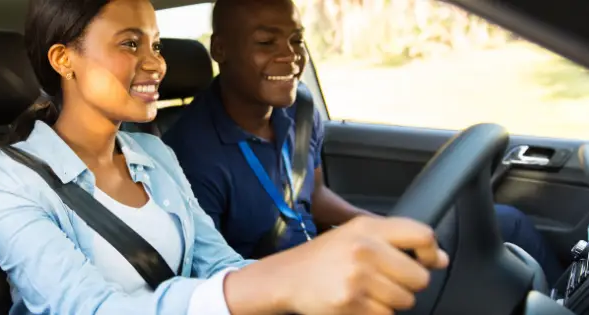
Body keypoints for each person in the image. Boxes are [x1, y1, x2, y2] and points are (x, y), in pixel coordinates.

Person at [0, 0, 448, 314]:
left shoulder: (153, 153)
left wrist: (302, 280)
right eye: (130, 43)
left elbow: (216, 260)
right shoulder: (7, 182)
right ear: (64, 59)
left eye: (156, 45)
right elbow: (89, 310)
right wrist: (277, 283)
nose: (157, 63)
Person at [163, 0, 562, 284]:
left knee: (506, 221)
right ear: (221, 50)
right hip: (284, 285)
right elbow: (213, 274)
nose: (290, 57)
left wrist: (384, 228)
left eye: (297, 40)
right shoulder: (189, 154)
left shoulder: (300, 107)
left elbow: (314, 198)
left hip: (332, 254)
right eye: (267, 43)